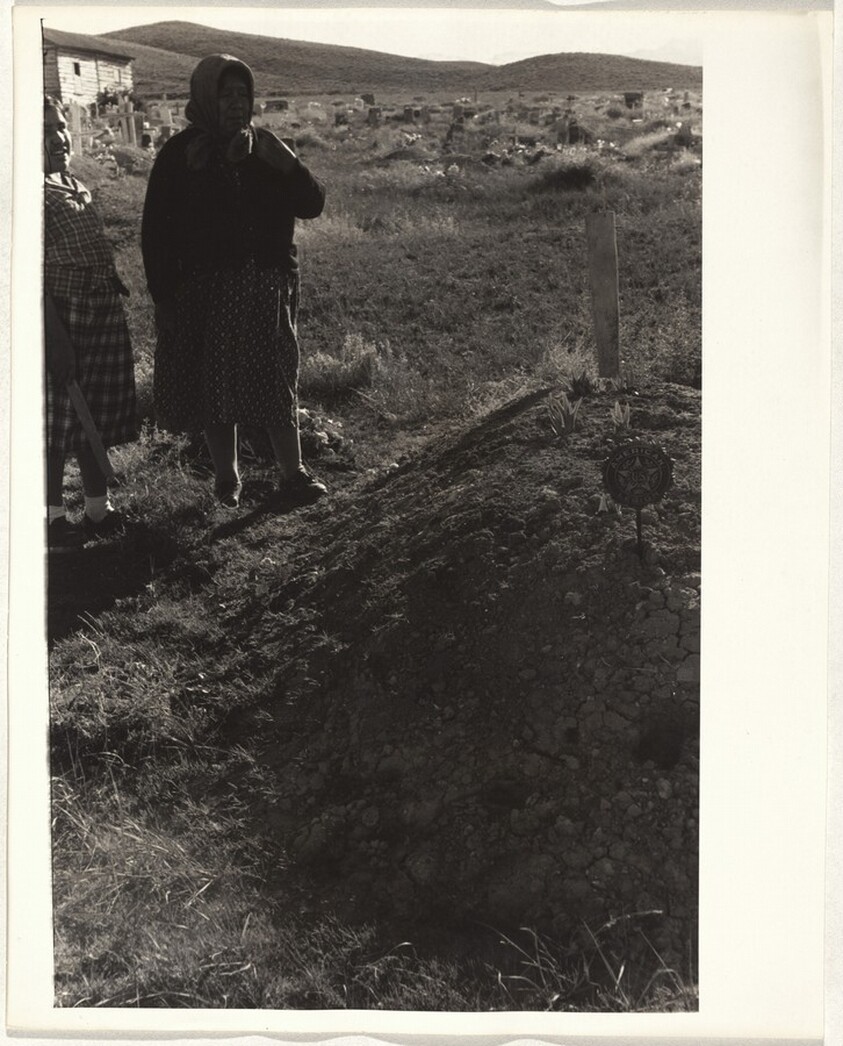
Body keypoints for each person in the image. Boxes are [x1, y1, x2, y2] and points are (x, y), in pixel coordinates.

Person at [141, 54, 327, 509]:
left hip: (267, 285)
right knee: (214, 383)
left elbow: (312, 204)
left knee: (277, 375)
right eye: (225, 95)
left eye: (243, 94)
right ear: (206, 98)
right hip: (206, 291)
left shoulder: (266, 149)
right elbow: (156, 232)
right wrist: (163, 295)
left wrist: (289, 166)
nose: (236, 104)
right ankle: (227, 479)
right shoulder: (182, 156)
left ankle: (293, 474)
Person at [43, 96, 138, 550]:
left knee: (93, 414)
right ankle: (51, 517)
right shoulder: (25, 193)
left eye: (59, 127)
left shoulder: (70, 183)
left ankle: (98, 509)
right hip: (62, 318)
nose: (56, 138)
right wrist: (54, 338)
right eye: (42, 132)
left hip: (97, 313)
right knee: (58, 424)